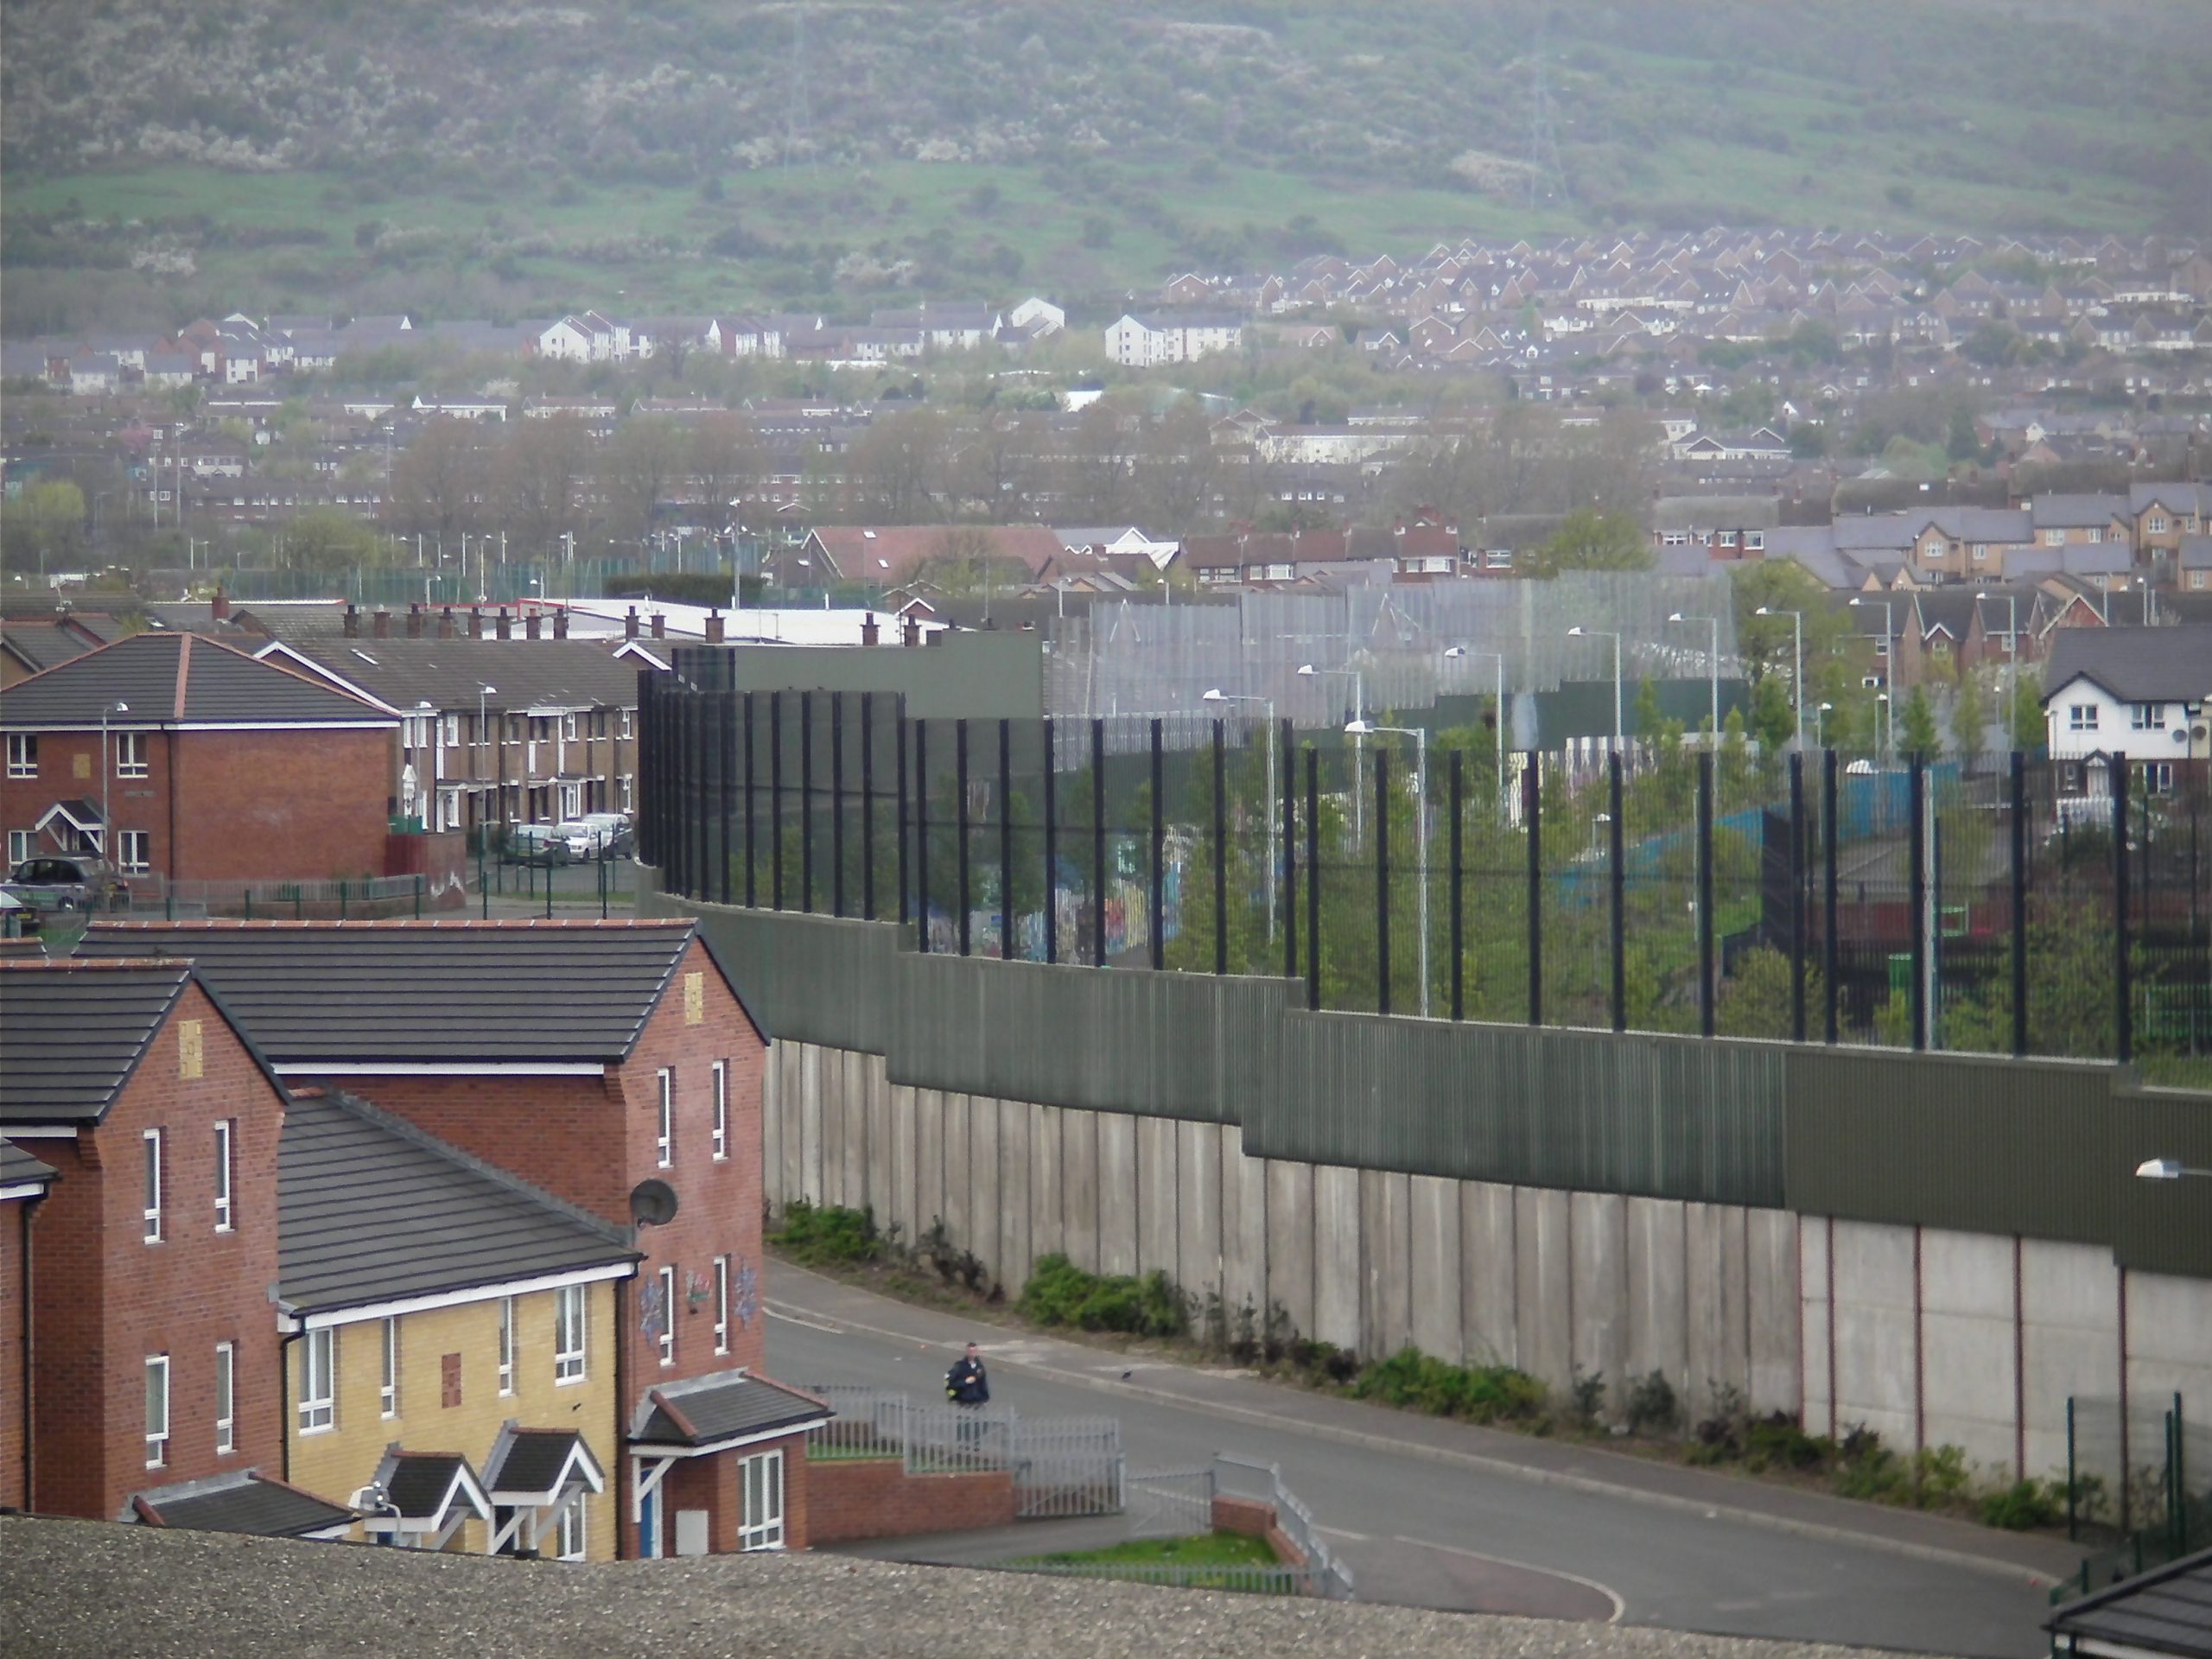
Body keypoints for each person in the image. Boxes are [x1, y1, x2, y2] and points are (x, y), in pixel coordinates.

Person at [945, 1341, 989, 1408]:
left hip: (976, 1402)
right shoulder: (959, 1366)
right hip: (962, 1402)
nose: (972, 1354)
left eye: (974, 1351)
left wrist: (985, 1398)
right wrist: (965, 1382)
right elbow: (951, 1384)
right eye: (970, 1351)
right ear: (967, 1351)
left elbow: (983, 1383)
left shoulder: (980, 1367)